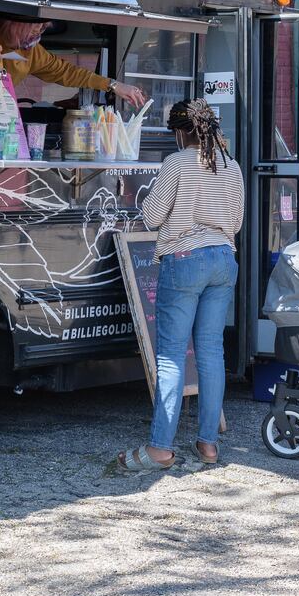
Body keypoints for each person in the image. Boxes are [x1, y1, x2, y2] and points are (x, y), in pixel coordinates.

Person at [117, 98, 243, 471]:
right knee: (211, 352)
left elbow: (153, 216)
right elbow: (235, 222)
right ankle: (208, 444)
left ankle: (160, 449)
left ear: (178, 132)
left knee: (171, 357)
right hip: (223, 258)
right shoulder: (231, 166)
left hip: (185, 260)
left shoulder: (177, 162)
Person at [0, 15, 149, 108]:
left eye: (44, 27)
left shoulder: (33, 52)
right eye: (38, 24)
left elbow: (67, 72)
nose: (41, 30)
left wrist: (112, 85)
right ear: (20, 20)